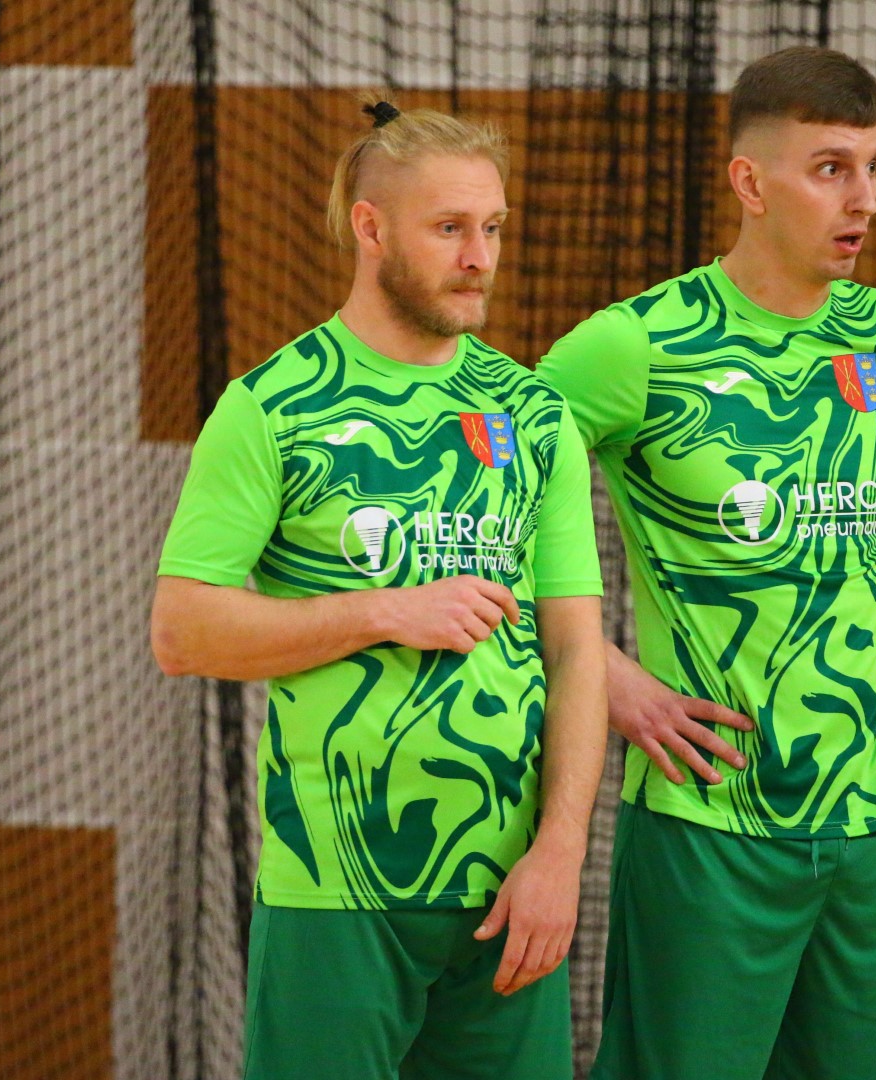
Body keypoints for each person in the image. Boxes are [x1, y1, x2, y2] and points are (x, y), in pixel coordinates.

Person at [537, 46, 876, 1080]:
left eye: (873, 167)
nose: (864, 198)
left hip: (874, 822)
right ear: (749, 181)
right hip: (708, 825)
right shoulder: (636, 345)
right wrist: (610, 679)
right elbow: (481, 516)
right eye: (830, 168)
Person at [151, 98, 607, 1080]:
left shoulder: (534, 415)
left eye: (492, 229)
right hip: (334, 888)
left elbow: (576, 651)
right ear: (371, 227)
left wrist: (562, 850)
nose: (479, 258)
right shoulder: (274, 405)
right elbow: (183, 631)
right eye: (450, 229)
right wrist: (386, 611)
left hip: (506, 895)